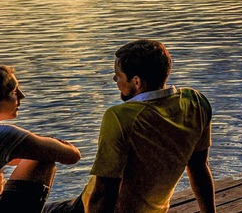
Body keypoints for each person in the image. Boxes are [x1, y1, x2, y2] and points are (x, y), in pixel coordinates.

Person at [40, 40, 214, 213]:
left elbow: (103, 192)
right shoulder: (195, 103)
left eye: (119, 75)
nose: (115, 79)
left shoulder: (120, 117)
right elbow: (199, 169)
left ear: (136, 82)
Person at [0, 66, 82, 213]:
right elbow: (72, 155)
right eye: (14, 92)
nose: (22, 95)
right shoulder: (5, 134)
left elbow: (14, 157)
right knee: (43, 158)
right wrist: (49, 142)